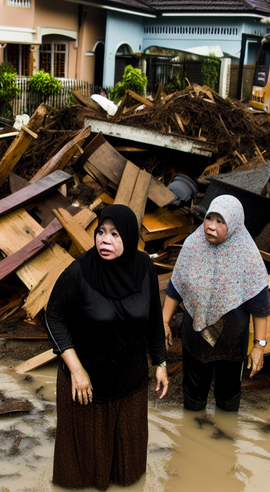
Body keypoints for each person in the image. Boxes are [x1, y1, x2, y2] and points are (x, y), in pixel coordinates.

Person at [45, 204, 169, 490]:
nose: (104, 239)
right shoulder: (79, 272)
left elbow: (153, 321)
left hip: (131, 385)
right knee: (81, 476)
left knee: (128, 475)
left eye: (114, 234)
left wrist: (160, 363)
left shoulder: (144, 268)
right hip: (87, 388)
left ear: (128, 235)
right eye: (100, 232)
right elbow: (54, 317)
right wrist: (76, 370)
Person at [162, 195, 270, 413]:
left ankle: (225, 435)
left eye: (220, 221)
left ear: (234, 223)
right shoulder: (193, 245)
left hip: (233, 339)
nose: (211, 226)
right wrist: (164, 321)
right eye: (209, 218)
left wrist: (259, 346)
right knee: (193, 395)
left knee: (228, 397)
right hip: (195, 336)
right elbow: (176, 287)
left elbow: (260, 305)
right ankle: (192, 435)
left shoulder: (247, 255)